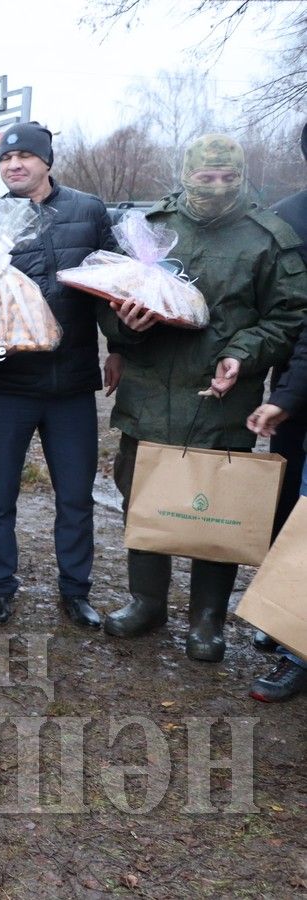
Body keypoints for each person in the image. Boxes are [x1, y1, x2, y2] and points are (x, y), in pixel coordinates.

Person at [102, 133, 307, 663]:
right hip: (149, 392)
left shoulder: (269, 237)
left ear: (241, 178)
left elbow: (288, 316)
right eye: (204, 177)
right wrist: (125, 326)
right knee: (142, 496)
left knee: (217, 508)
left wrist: (242, 353)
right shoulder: (151, 228)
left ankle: (207, 620)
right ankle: (146, 602)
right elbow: (109, 299)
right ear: (185, 174)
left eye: (227, 178)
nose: (215, 187)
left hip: (223, 397)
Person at [0, 122, 116, 627]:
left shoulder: (87, 211)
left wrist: (120, 345)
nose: (14, 165)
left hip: (72, 383)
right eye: (6, 159)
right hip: (10, 384)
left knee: (76, 495)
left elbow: (112, 285)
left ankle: (75, 590)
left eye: (25, 157)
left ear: (47, 161)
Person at [254, 120, 307, 657]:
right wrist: (285, 396)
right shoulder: (288, 218)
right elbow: (291, 315)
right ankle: (284, 621)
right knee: (291, 506)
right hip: (293, 389)